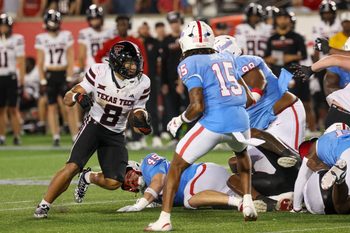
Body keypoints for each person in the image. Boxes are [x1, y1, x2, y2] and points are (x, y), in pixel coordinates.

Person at [144, 21, 257, 232]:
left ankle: (164, 220)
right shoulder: (227, 57)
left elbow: (197, 106)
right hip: (241, 120)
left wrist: (181, 120)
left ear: (186, 42)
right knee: (242, 154)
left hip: (215, 122)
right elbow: (250, 99)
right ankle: (248, 202)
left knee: (176, 165)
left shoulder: (191, 62)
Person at [33, 41, 152, 219]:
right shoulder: (99, 72)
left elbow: (137, 113)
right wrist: (77, 96)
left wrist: (141, 121)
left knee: (114, 182)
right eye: (128, 63)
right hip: (94, 126)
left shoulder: (143, 83)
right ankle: (44, 204)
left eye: (136, 62)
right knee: (72, 167)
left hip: (116, 133)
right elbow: (67, 98)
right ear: (117, 62)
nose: (133, 67)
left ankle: (89, 177)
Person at [117, 153, 242, 212]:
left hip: (201, 173)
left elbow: (159, 181)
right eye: (126, 184)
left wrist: (139, 205)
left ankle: (240, 203)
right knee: (216, 206)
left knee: (190, 201)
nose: (130, 181)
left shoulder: (147, 164)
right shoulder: (153, 197)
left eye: (128, 175)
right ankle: (245, 198)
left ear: (135, 167)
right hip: (205, 183)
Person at [35, 9, 78, 146]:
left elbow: (70, 57)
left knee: (70, 106)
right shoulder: (41, 38)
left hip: (63, 73)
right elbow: (40, 61)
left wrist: (70, 76)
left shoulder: (66, 35)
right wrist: (42, 79)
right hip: (50, 74)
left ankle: (75, 135)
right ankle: (55, 136)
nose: (53, 25)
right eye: (51, 22)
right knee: (52, 106)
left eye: (55, 22)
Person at [293, 123, 350, 214]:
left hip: (344, 157)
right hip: (345, 155)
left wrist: (296, 207)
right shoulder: (347, 135)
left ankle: (340, 181)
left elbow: (302, 176)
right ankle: (340, 178)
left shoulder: (320, 141)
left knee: (341, 207)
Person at [0, 13, 25, 145]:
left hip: (11, 76)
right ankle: (2, 136)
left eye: (5, 26)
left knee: (13, 108)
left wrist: (21, 79)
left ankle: (16, 135)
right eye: (1, 26)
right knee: (1, 109)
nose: (3, 28)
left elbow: (20, 60)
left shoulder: (17, 39)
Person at [78, 4, 113, 72]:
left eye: (97, 18)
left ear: (101, 18)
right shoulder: (84, 33)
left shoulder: (110, 32)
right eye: (92, 19)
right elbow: (81, 56)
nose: (95, 21)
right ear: (89, 20)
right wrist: (81, 70)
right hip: (92, 69)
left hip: (108, 68)